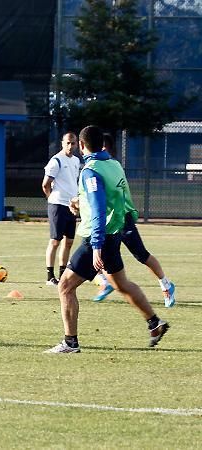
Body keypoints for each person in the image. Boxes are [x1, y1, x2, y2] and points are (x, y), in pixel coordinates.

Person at [46, 125, 169, 353]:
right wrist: (79, 203)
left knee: (64, 286)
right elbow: (117, 198)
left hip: (98, 238)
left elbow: (99, 209)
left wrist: (96, 246)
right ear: (102, 144)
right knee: (121, 284)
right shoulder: (114, 164)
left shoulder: (90, 171)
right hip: (114, 233)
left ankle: (70, 343)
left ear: (81, 145)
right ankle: (155, 323)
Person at [91, 134, 176, 306]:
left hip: (122, 218)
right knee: (97, 252)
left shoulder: (112, 166)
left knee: (141, 254)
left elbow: (114, 195)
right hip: (108, 221)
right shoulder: (96, 167)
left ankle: (166, 284)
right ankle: (105, 282)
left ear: (105, 148)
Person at [42, 132, 81, 285]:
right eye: (68, 143)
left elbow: (73, 181)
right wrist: (51, 198)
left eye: (73, 143)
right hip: (57, 205)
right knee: (55, 241)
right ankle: (50, 277)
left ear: (77, 144)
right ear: (62, 143)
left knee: (69, 241)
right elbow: (45, 184)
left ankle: (62, 275)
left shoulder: (76, 161)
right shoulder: (56, 160)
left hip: (71, 206)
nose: (70, 146)